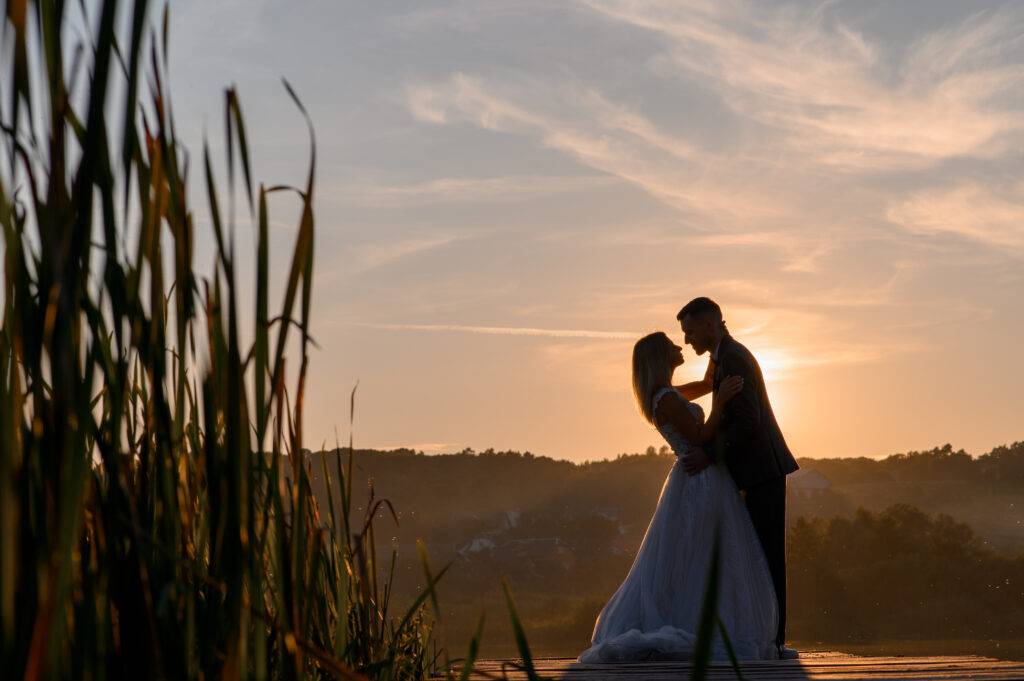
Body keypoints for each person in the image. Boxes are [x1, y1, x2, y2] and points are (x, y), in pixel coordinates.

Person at [577, 331, 779, 663]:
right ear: (660, 357)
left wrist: (716, 350)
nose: (679, 346)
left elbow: (704, 383)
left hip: (696, 477)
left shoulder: (667, 394)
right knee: (702, 550)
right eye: (671, 345)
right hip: (698, 478)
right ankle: (699, 623)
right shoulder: (666, 399)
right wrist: (721, 402)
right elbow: (700, 435)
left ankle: (702, 616)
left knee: (694, 554)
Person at [676, 297, 799, 659]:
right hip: (752, 473)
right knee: (753, 556)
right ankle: (765, 636)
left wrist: (709, 454)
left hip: (762, 472)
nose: (687, 341)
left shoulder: (733, 357)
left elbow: (748, 421)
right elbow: (708, 393)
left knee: (766, 557)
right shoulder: (721, 357)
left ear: (710, 325)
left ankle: (773, 641)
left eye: (690, 331)